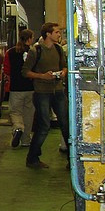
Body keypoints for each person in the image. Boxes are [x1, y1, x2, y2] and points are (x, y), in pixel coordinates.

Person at [23, 22, 69, 169]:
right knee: (44, 126)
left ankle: (72, 160)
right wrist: (43, 76)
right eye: (56, 32)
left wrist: (63, 73)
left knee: (66, 124)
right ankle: (32, 158)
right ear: (48, 34)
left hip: (58, 91)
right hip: (42, 92)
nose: (59, 34)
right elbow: (25, 72)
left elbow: (64, 66)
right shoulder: (35, 51)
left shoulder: (58, 49)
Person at [6, 28, 35, 149]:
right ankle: (26, 140)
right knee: (28, 114)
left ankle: (18, 128)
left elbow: (7, 70)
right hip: (31, 87)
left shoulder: (11, 52)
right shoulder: (34, 52)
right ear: (29, 39)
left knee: (15, 112)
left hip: (16, 88)